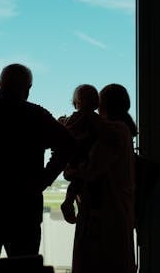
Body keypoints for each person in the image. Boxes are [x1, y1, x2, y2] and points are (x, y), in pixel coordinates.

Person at [0, 63, 75, 259]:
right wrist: (44, 179)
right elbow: (68, 145)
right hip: (24, 208)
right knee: (24, 267)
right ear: (28, 88)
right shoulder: (37, 116)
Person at [69, 83, 137, 273]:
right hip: (115, 214)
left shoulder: (115, 132)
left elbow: (91, 171)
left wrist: (72, 171)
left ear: (102, 105)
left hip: (106, 216)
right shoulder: (120, 131)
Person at [59, 84, 101, 224]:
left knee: (76, 183)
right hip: (88, 159)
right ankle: (69, 202)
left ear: (76, 102)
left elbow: (66, 131)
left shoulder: (74, 118)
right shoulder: (97, 120)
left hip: (75, 158)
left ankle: (68, 201)